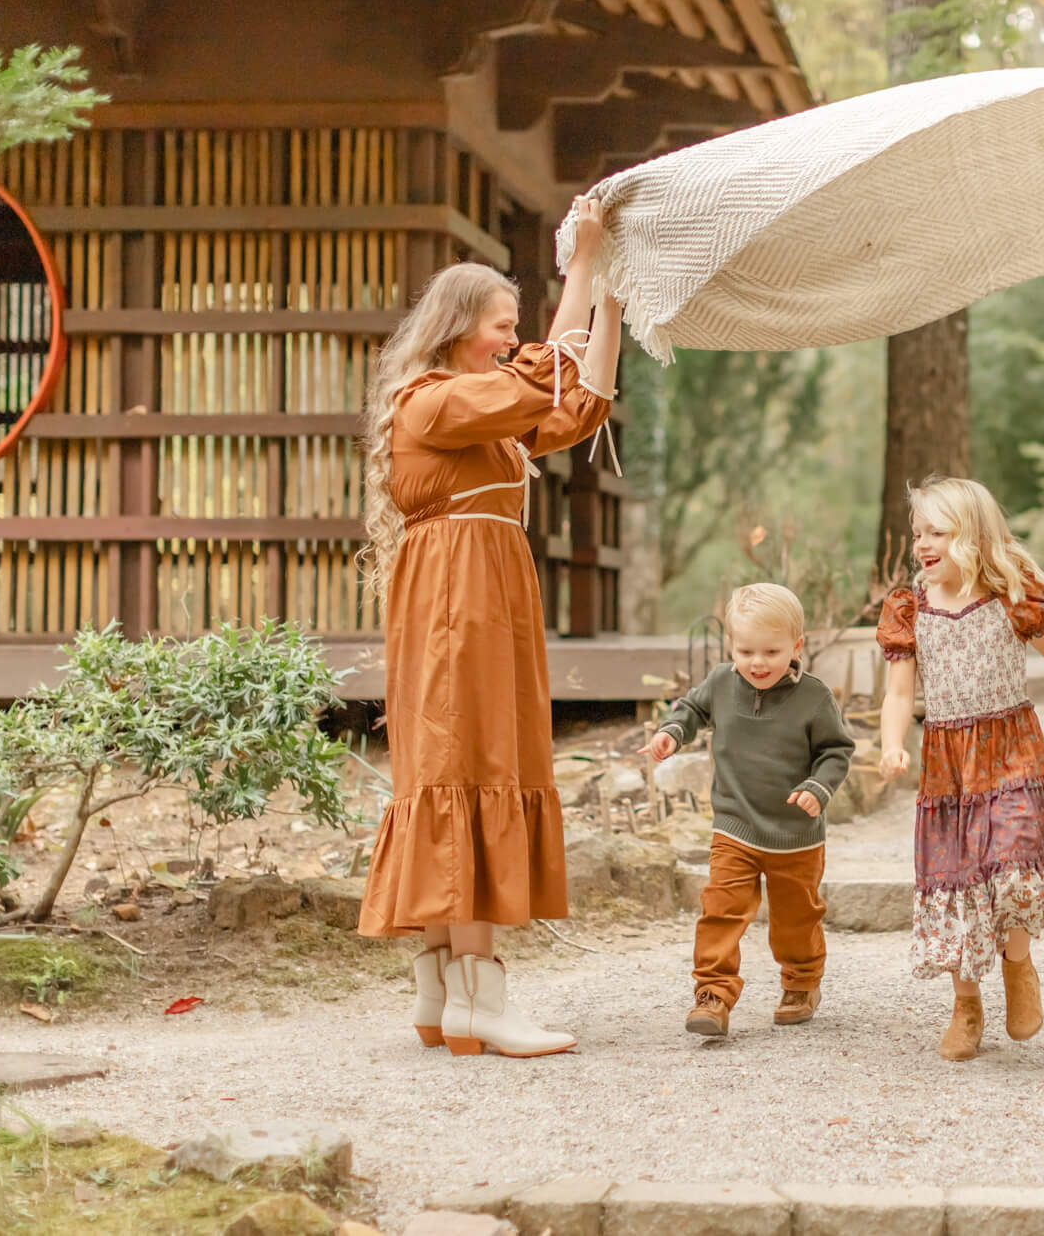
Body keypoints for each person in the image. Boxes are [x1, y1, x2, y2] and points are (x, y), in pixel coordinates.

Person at [355, 196, 623, 1059]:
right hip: (455, 603)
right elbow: (540, 376)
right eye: (500, 325)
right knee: (463, 760)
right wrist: (578, 267)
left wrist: (612, 296)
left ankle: (445, 993)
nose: (511, 339)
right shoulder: (428, 402)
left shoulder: (481, 414)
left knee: (470, 759)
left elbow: (575, 405)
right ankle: (478, 996)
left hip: (480, 595)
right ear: (457, 324)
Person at [875, 476, 1044, 1061]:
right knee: (958, 886)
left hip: (1011, 751)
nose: (923, 543)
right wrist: (892, 743)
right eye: (918, 531)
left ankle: (1018, 967)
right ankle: (966, 1004)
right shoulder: (909, 607)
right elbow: (898, 694)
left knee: (1018, 867)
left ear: (972, 535)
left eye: (938, 532)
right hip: (947, 767)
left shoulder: (1010, 594)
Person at [642, 584, 854, 1038]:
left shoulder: (814, 697)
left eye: (772, 651)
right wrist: (672, 733)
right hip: (734, 825)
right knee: (721, 908)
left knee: (796, 916)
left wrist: (819, 787)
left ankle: (801, 982)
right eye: (746, 650)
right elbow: (692, 708)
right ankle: (713, 993)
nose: (758, 662)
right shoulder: (721, 681)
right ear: (730, 647)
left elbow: (836, 751)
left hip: (795, 833)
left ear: (797, 647)